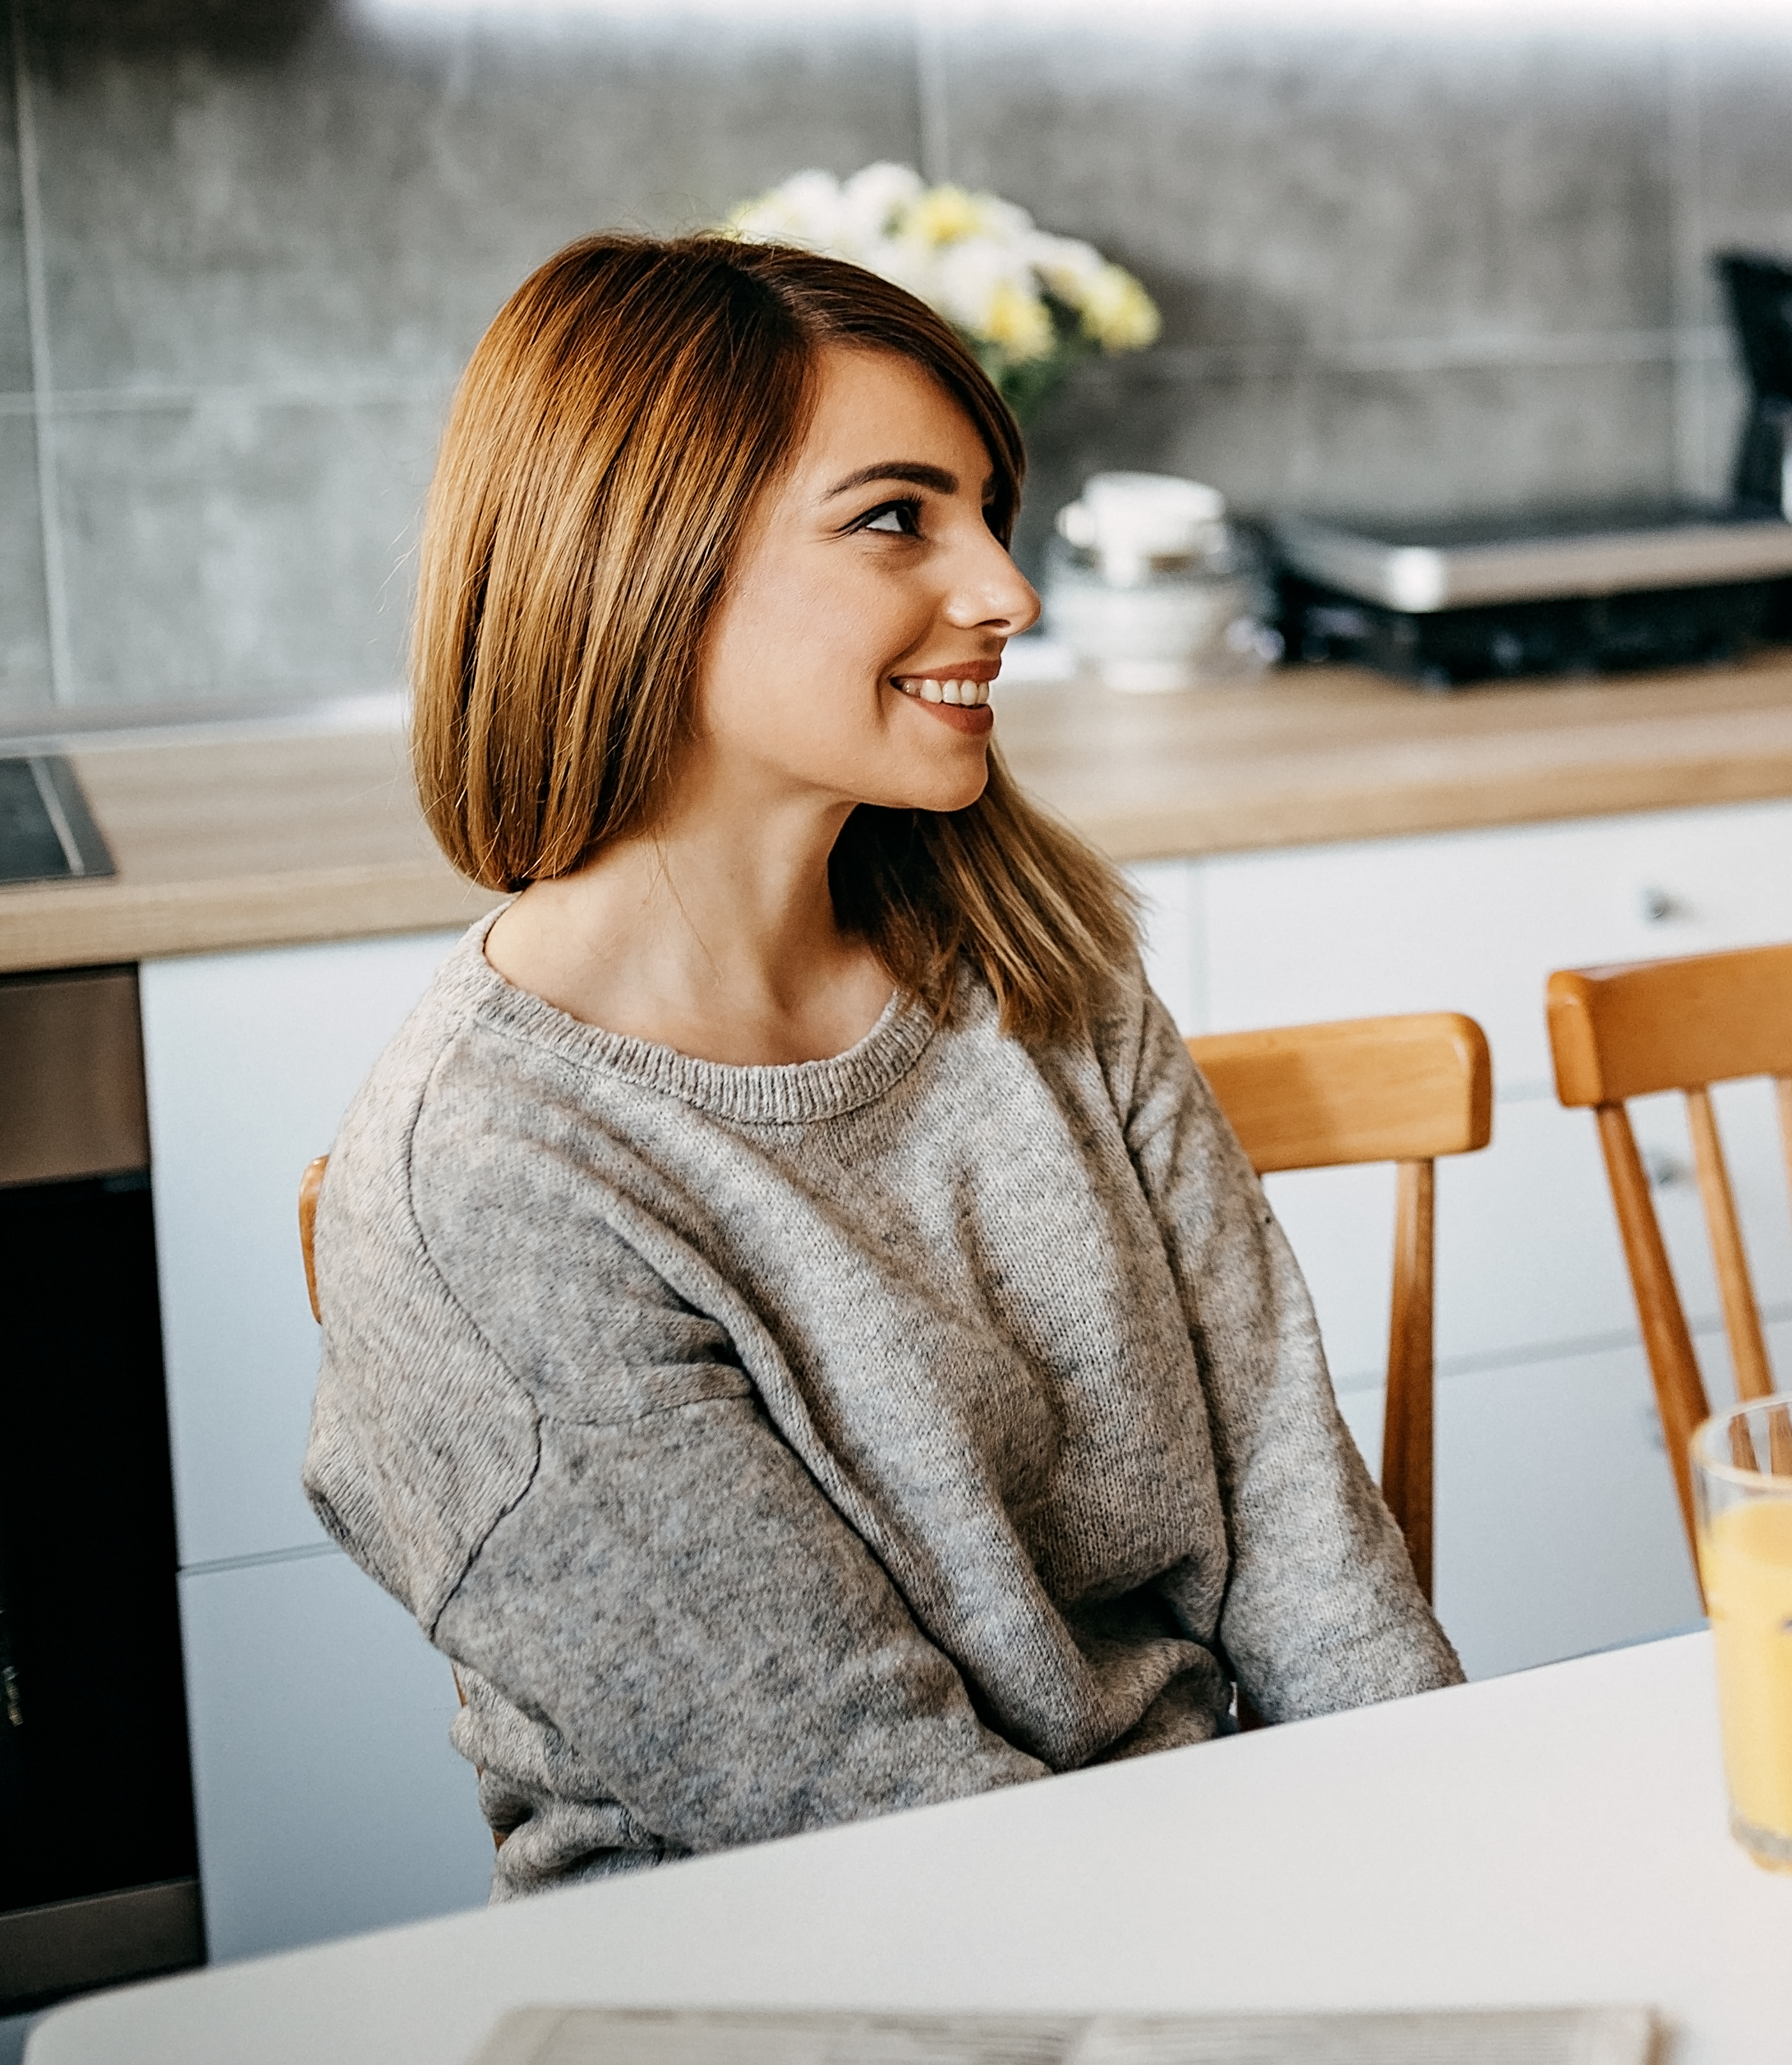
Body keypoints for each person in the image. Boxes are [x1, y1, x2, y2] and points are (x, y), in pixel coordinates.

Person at [305, 234, 1457, 1892]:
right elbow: (865, 1809)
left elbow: (1304, 1544)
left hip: (1222, 1885)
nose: (1007, 591)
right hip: (814, 1975)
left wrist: (1438, 1868)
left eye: (988, 510)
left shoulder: (1039, 970)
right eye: (899, 518)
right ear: (644, 563)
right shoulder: (486, 1193)